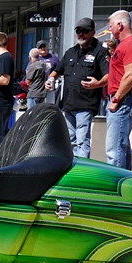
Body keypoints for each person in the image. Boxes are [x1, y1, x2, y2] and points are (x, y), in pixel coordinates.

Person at [45, 17, 109, 158]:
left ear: (92, 32)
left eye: (84, 31)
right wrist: (50, 79)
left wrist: (97, 84)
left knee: (82, 141)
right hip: (68, 104)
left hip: (85, 104)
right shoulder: (71, 52)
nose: (80, 34)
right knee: (70, 140)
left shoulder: (100, 52)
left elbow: (108, 76)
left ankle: (83, 169)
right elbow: (58, 70)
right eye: (78, 31)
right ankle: (74, 166)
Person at [105, 10, 132, 169]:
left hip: (123, 100)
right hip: (123, 99)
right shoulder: (125, 45)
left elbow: (130, 76)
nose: (110, 30)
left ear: (120, 25)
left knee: (114, 149)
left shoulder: (131, 44)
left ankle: (116, 187)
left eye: (111, 26)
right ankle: (124, 183)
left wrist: (116, 99)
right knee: (121, 145)